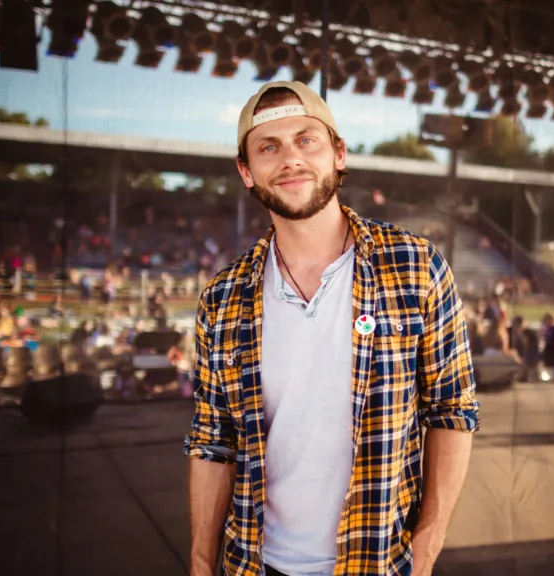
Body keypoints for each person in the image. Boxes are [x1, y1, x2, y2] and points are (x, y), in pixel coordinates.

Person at [184, 81, 479, 576]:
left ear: (338, 154)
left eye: (307, 140)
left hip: (380, 564)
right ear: (246, 171)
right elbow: (214, 440)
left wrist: (425, 551)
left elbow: (452, 411)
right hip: (255, 565)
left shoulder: (415, 265)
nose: (290, 159)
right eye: (269, 147)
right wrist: (198, 562)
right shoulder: (222, 297)